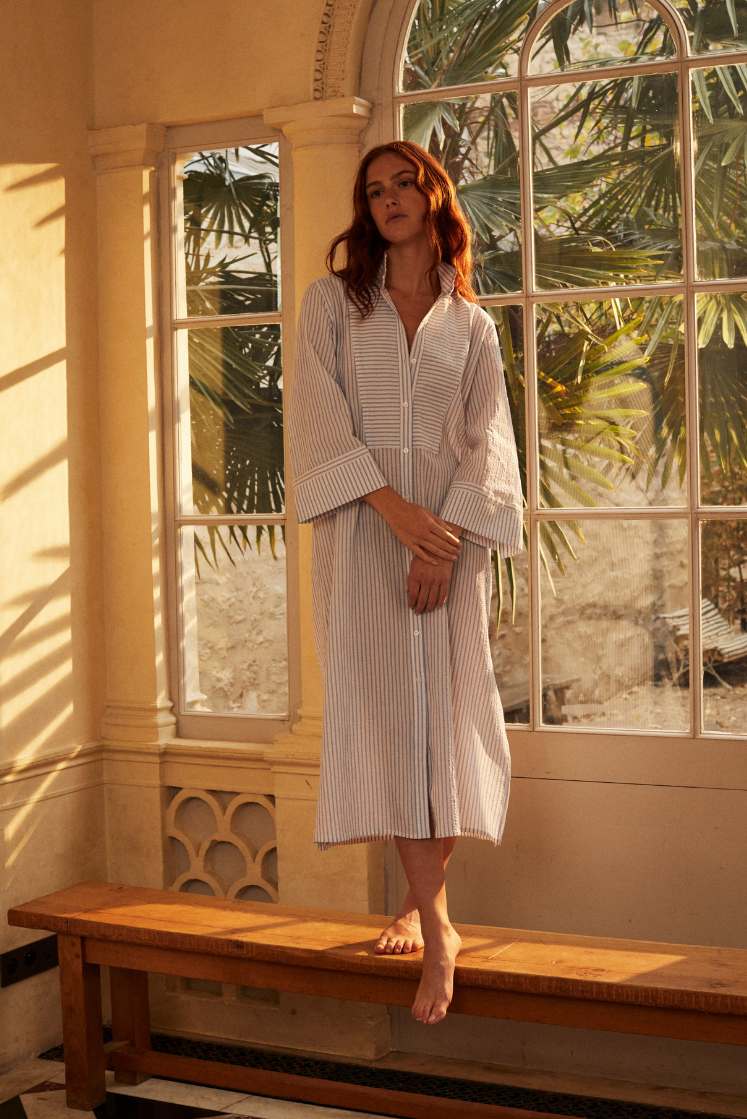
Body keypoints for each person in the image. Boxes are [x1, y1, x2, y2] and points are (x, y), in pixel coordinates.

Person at [286, 140, 524, 1026]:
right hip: (363, 533)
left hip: (448, 543)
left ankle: (426, 912)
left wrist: (443, 541)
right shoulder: (332, 304)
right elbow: (316, 420)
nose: (386, 198)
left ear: (432, 195)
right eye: (372, 189)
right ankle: (438, 925)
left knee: (447, 715)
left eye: (401, 184)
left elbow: (488, 442)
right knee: (389, 713)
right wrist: (396, 518)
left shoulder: (472, 324)